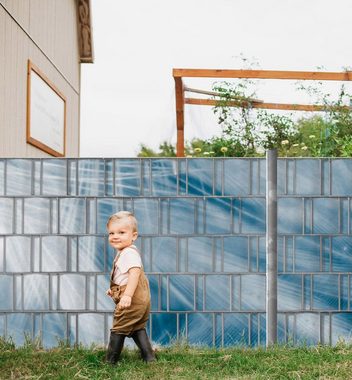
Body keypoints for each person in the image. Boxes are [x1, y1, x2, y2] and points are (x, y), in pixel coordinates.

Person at [105, 211, 155, 364]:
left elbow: (134, 275)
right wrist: (115, 291)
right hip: (139, 299)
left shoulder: (129, 253)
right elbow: (124, 277)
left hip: (133, 299)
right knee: (136, 327)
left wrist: (126, 295)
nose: (115, 236)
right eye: (111, 233)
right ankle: (149, 357)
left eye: (121, 232)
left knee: (119, 327)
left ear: (134, 236)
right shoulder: (125, 252)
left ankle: (110, 361)